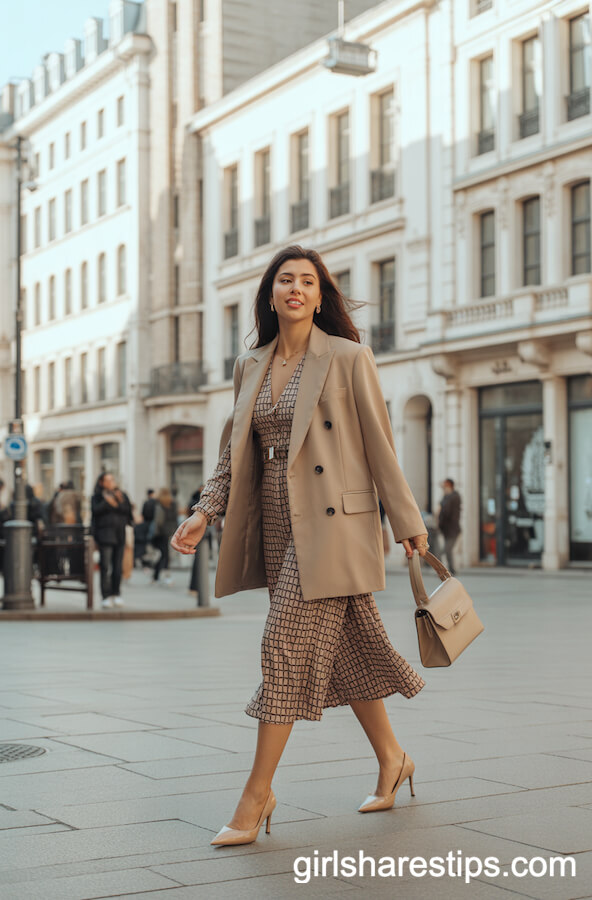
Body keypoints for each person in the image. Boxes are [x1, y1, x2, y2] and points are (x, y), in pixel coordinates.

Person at [171, 245, 429, 848]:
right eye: (285, 279)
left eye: (307, 282)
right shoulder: (251, 365)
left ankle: (256, 794)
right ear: (270, 294)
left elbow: (380, 444)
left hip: (335, 524)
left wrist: (407, 520)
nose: (295, 289)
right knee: (350, 651)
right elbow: (231, 454)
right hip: (277, 524)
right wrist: (204, 512)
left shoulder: (347, 356)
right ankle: (393, 759)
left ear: (319, 296)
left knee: (282, 645)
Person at [90, 472, 133, 609]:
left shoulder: (122, 495)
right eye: (107, 480)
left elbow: (128, 512)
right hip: (104, 535)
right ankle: (106, 596)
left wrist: (119, 500)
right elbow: (95, 511)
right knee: (105, 566)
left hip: (119, 534)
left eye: (112, 480)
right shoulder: (97, 497)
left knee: (118, 566)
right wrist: (106, 502)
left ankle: (116, 593)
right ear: (101, 482)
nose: (110, 483)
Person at [150, 487, 178, 585]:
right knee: (165, 555)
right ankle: (164, 576)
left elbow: (158, 520)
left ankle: (157, 576)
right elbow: (175, 518)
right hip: (170, 532)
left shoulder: (158, 503)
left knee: (163, 555)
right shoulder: (173, 504)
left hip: (161, 532)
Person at [438, 478, 461, 575]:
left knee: (446, 550)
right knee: (447, 551)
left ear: (450, 485)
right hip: (446, 530)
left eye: (445, 485)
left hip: (453, 530)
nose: (444, 487)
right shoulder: (446, 496)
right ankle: (449, 570)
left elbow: (446, 511)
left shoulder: (454, 496)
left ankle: (450, 570)